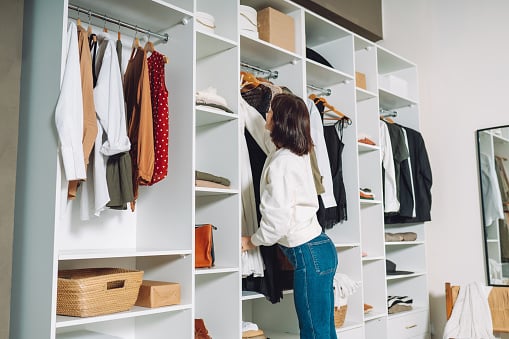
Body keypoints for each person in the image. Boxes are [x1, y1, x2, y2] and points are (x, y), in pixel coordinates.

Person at [241, 92, 338, 339]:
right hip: (322, 249)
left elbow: (277, 222)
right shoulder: (297, 153)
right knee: (324, 330)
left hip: (308, 254)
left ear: (281, 121)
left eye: (271, 111)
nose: (267, 114)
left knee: (314, 332)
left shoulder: (281, 163)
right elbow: (262, 133)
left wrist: (252, 240)